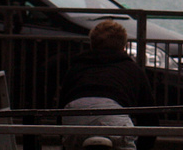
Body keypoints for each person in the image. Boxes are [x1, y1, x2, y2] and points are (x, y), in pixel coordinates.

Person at [60, 19, 155, 150]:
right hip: (114, 117)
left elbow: (62, 102)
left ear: (92, 44)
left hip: (76, 116)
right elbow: (148, 115)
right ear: (123, 46)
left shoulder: (76, 67)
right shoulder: (132, 68)